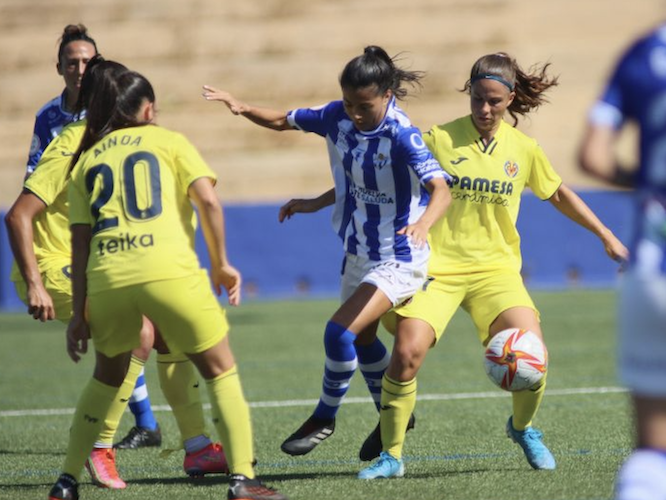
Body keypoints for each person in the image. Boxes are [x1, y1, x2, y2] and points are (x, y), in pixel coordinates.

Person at [348, 51, 629, 479]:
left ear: (511, 99)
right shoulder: (440, 139)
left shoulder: (524, 150)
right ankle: (392, 456)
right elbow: (382, 175)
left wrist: (606, 235)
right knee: (406, 353)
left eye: (494, 101)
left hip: (495, 272)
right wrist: (323, 200)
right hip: (436, 270)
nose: (484, 109)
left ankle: (523, 428)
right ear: (470, 93)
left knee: (535, 354)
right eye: (477, 98)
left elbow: (558, 194)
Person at [47, 66, 286, 500]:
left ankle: (66, 481)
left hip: (107, 278)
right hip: (168, 271)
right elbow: (208, 200)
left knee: (106, 376)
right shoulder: (170, 141)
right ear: (149, 109)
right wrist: (221, 264)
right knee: (220, 368)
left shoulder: (87, 158)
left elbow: (79, 243)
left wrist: (79, 313)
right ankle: (243, 480)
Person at [203, 45, 451, 457]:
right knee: (365, 339)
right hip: (358, 251)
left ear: (388, 95)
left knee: (338, 332)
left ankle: (324, 416)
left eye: (364, 106)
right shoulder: (337, 115)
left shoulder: (401, 134)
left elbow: (440, 188)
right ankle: (394, 413)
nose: (355, 113)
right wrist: (242, 106)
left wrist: (424, 223)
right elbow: (286, 120)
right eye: (350, 102)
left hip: (399, 255)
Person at [7, 57, 228, 491]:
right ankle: (100, 446)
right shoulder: (73, 141)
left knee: (168, 328)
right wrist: (35, 282)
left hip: (96, 263)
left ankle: (198, 445)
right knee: (140, 329)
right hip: (54, 266)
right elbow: (18, 215)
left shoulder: (127, 142)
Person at [24, 22, 162, 450]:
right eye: (72, 62)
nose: (80, 69)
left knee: (136, 331)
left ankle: (162, 428)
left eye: (88, 61)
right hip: (67, 237)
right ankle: (139, 429)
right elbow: (33, 184)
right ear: (59, 68)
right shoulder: (50, 118)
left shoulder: (111, 107)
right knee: (122, 332)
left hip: (109, 233)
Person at [579, 23, 666, 500]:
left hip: (653, 272)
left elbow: (592, 156)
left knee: (653, 451)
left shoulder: (643, 53)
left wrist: (650, 183)